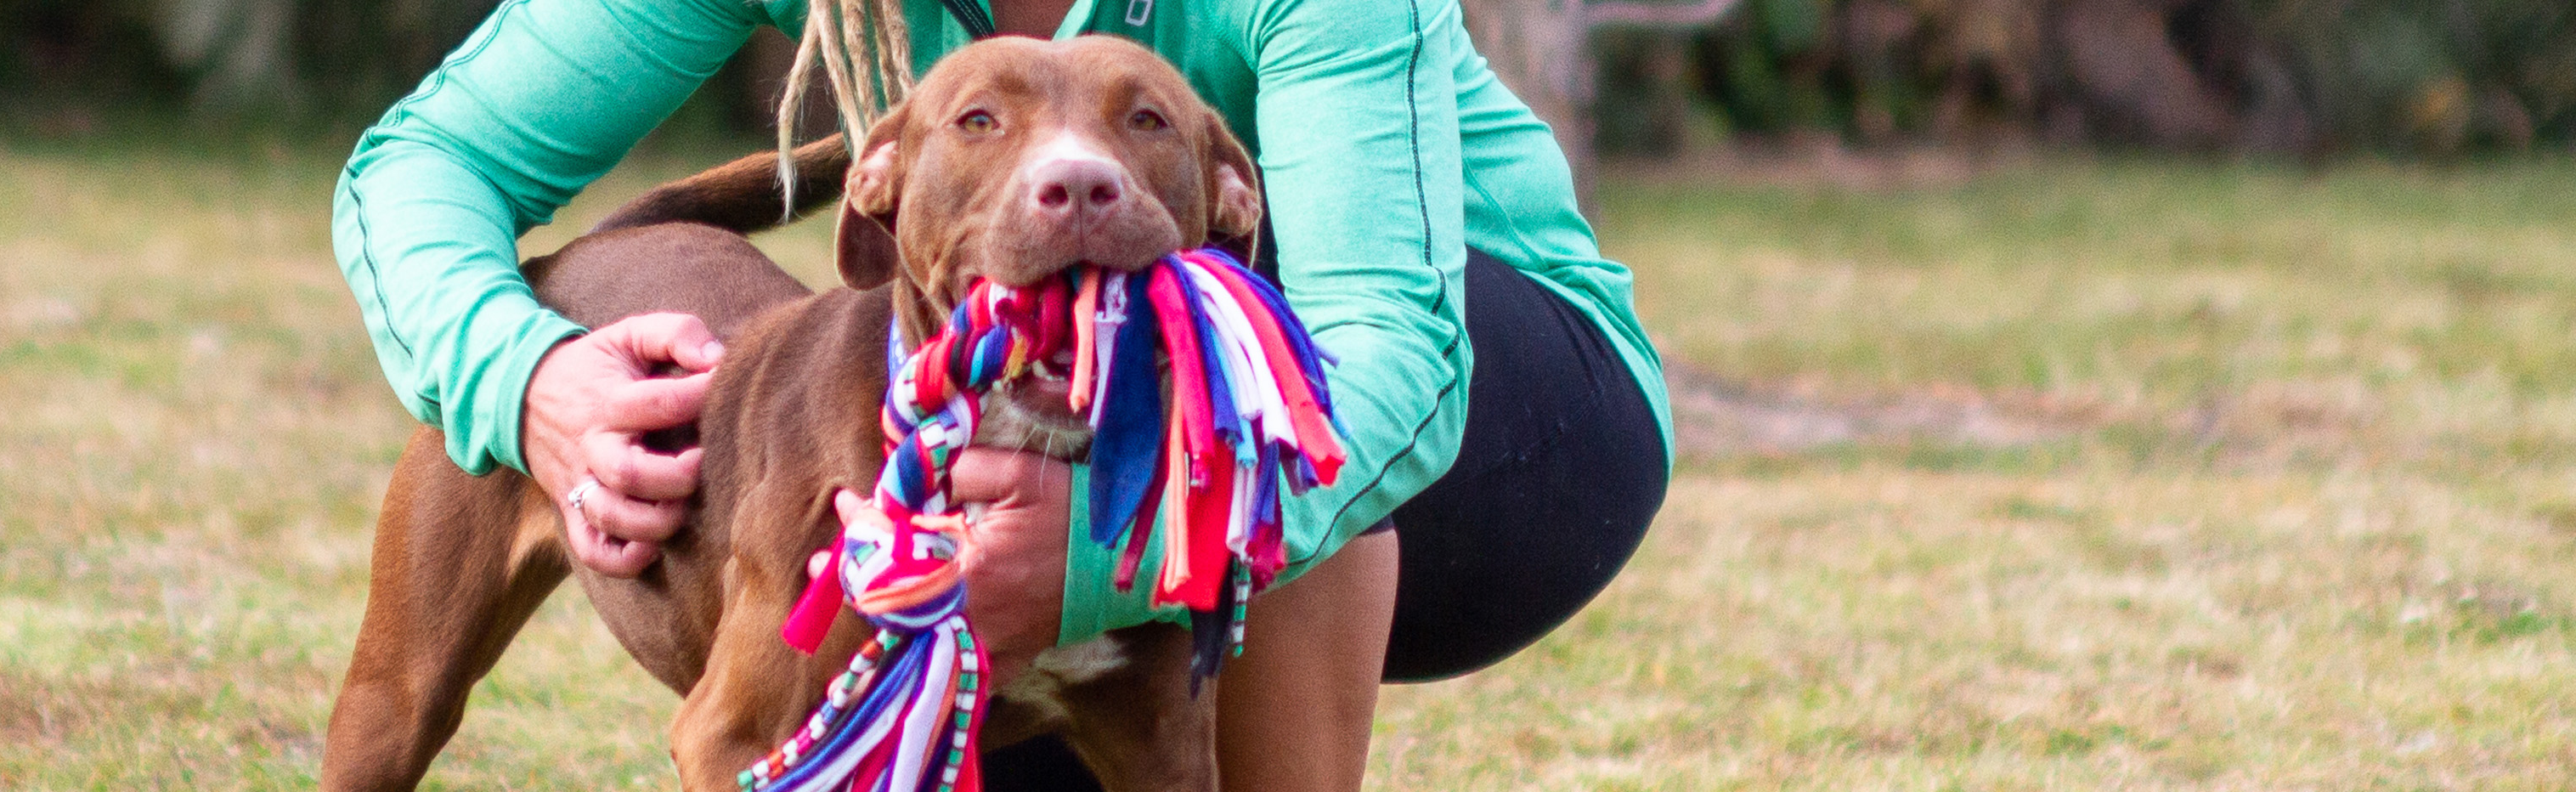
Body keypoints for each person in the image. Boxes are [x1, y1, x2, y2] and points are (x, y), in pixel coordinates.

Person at [330, 0, 1671, 787]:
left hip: (1490, 396)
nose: (1070, 170)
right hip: (1026, 418)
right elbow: (422, 163)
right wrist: (529, 379)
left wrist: (1091, 568)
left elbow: (1394, 362)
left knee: (1261, 362)